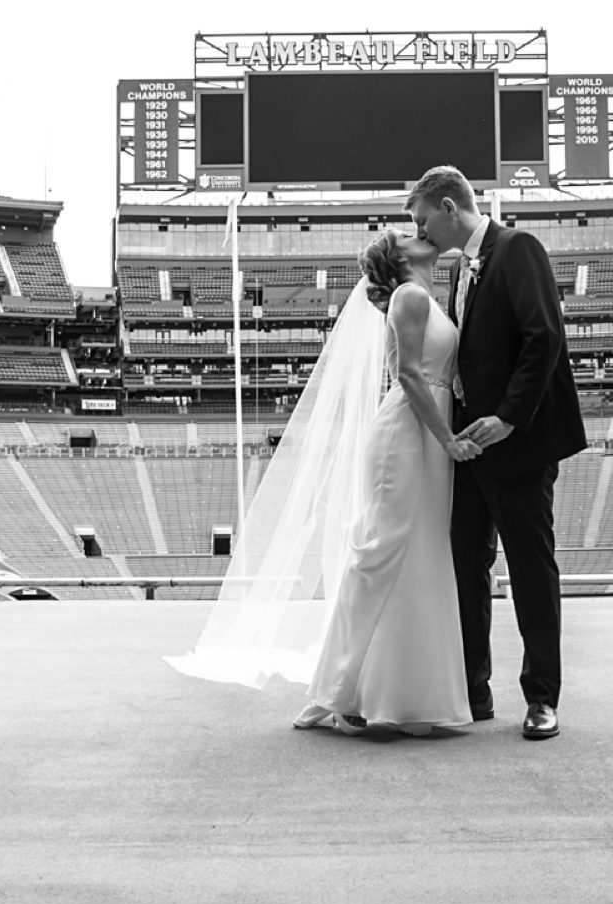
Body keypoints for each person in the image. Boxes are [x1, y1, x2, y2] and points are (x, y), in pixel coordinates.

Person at [166, 228, 478, 739]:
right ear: (399, 258)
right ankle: (337, 690)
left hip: (429, 431)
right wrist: (447, 439)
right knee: (380, 553)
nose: (421, 234)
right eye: (408, 234)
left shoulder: (429, 297)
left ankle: (399, 694)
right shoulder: (410, 296)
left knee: (418, 555)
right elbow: (408, 375)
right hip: (408, 434)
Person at [406, 165, 588, 741]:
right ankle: (472, 689)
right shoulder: (460, 268)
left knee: (530, 568)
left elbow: (544, 336)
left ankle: (542, 697)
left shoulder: (518, 248)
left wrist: (509, 417)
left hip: (518, 444)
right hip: (470, 448)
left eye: (423, 220)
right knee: (465, 565)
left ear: (448, 206)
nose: (421, 232)